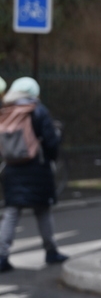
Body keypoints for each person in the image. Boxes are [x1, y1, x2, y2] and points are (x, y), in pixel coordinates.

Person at [0, 77, 68, 272]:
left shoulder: (6, 110)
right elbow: (50, 142)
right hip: (37, 167)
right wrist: (51, 157)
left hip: (11, 167)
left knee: (12, 212)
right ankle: (51, 251)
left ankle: (2, 255)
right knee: (43, 210)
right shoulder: (37, 110)